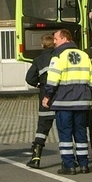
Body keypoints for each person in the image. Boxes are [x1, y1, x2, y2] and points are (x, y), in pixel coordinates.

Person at [42, 28, 92, 175]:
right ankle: (84, 165)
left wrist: (47, 96)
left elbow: (53, 79)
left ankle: (69, 165)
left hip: (64, 101)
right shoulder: (84, 55)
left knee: (65, 135)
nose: (54, 42)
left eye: (56, 39)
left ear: (65, 39)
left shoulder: (58, 56)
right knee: (81, 134)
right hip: (82, 102)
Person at [24, 33, 56, 168]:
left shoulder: (38, 60)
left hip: (45, 99)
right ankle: (72, 159)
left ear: (42, 45)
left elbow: (29, 78)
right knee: (66, 129)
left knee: (42, 129)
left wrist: (39, 84)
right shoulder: (59, 57)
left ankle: (36, 158)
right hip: (61, 96)